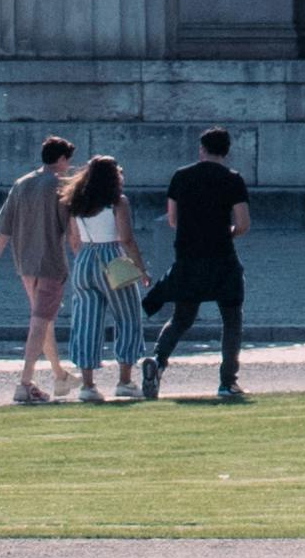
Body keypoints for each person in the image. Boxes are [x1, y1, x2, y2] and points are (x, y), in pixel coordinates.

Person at [149, 126, 254, 402]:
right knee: (232, 319)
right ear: (227, 151)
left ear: (202, 149)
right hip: (222, 256)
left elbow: (172, 220)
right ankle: (227, 381)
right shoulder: (233, 179)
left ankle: (158, 362)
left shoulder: (181, 176)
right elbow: (243, 223)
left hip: (188, 257)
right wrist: (226, 231)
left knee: (182, 318)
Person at [0, 134, 80, 405]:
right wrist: (82, 259)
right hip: (50, 263)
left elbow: (4, 230)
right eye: (68, 160)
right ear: (61, 159)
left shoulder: (22, 184)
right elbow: (72, 234)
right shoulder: (62, 186)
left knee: (43, 320)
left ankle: (60, 375)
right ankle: (25, 382)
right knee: (40, 322)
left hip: (25, 263)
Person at [64, 154, 148, 402]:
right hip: (112, 257)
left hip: (85, 258)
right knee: (128, 317)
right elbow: (126, 238)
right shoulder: (118, 202)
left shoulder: (76, 201)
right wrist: (140, 268)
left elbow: (73, 239)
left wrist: (84, 257)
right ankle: (124, 380)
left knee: (86, 322)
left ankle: (88, 384)